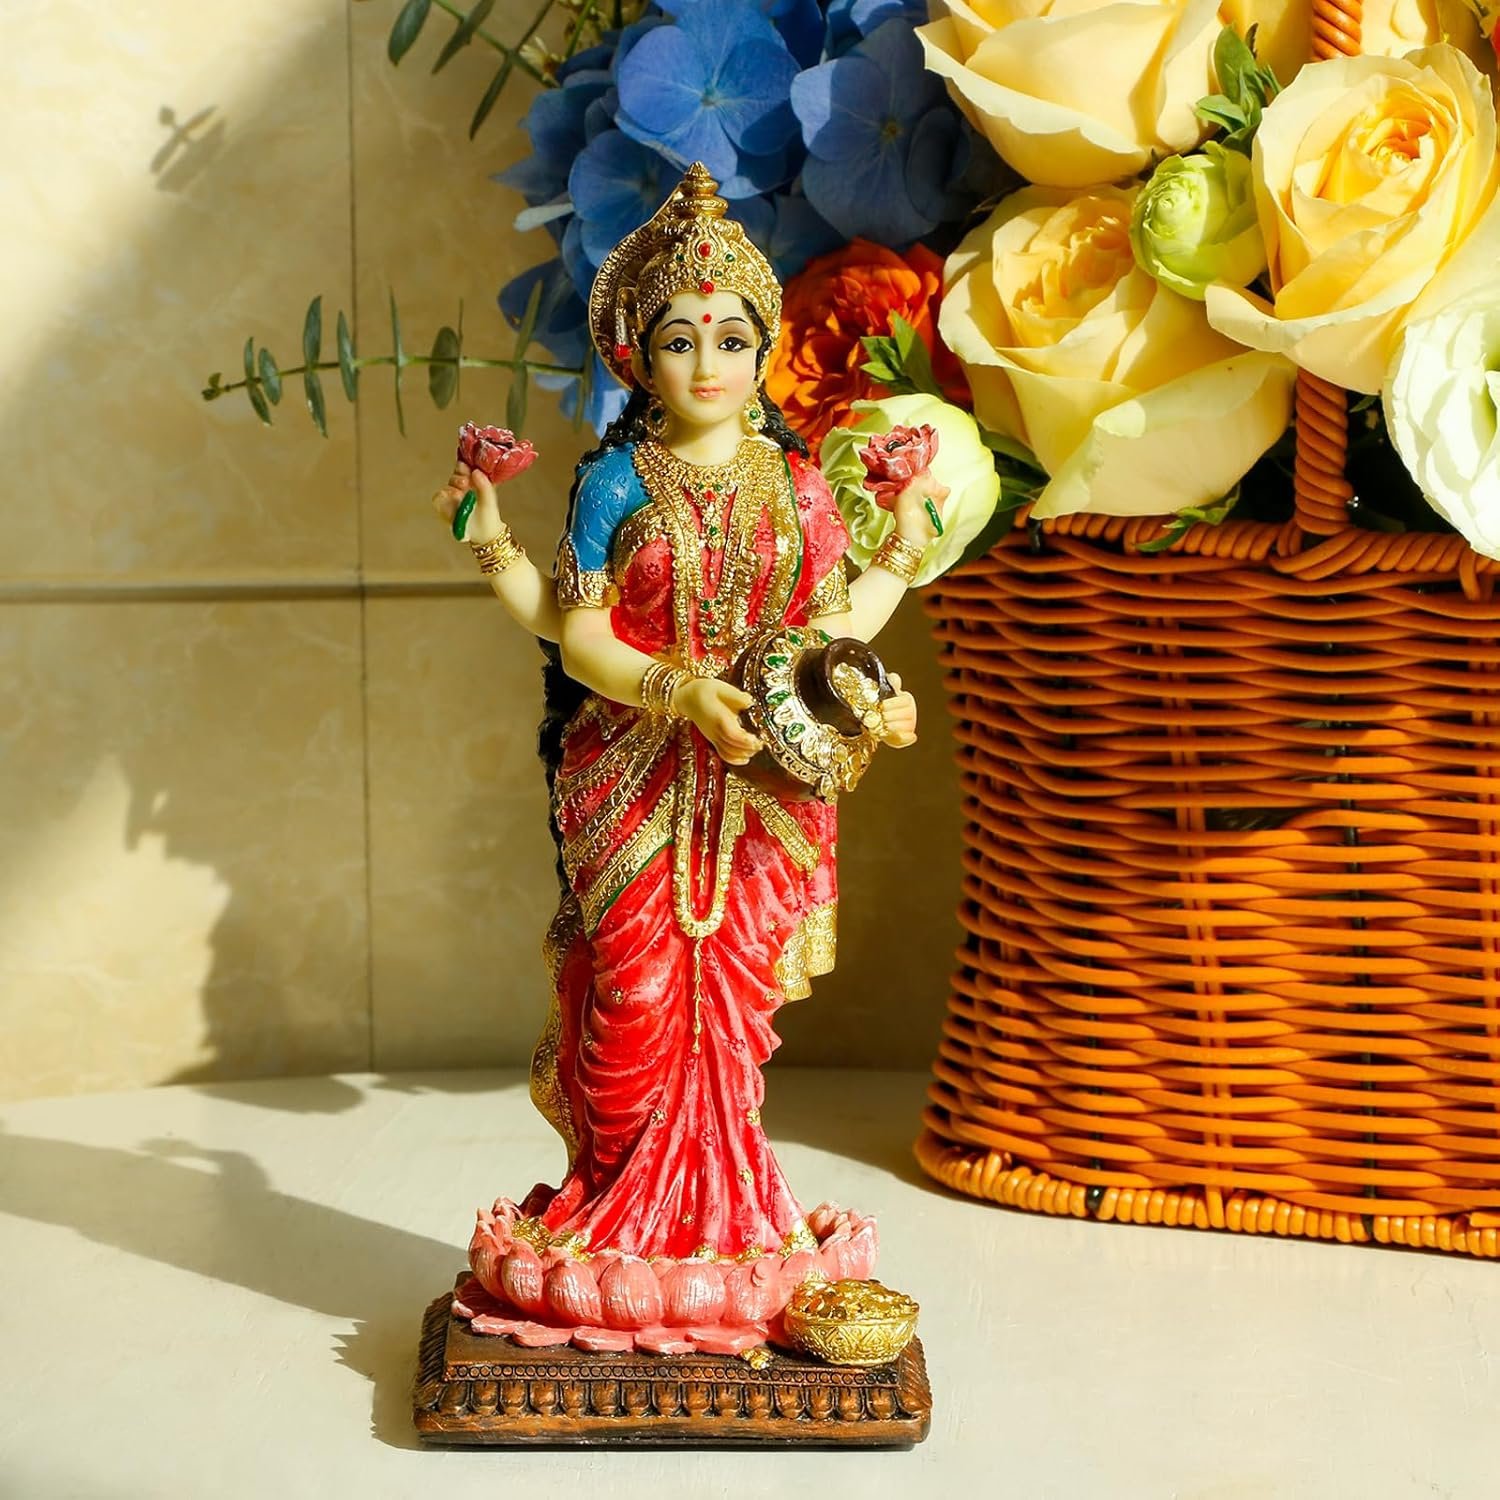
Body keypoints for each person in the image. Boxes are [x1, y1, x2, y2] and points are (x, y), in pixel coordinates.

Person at [429, 164, 945, 1284]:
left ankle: (725, 1219)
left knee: (736, 1007)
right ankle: (617, 1219)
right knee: (634, 995)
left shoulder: (800, 488)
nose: (708, 363)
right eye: (679, 340)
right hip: (634, 776)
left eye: (731, 338)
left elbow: (827, 629)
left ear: (763, 351)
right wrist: (680, 691)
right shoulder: (616, 482)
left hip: (759, 789)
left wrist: (873, 692)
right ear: (638, 356)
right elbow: (580, 637)